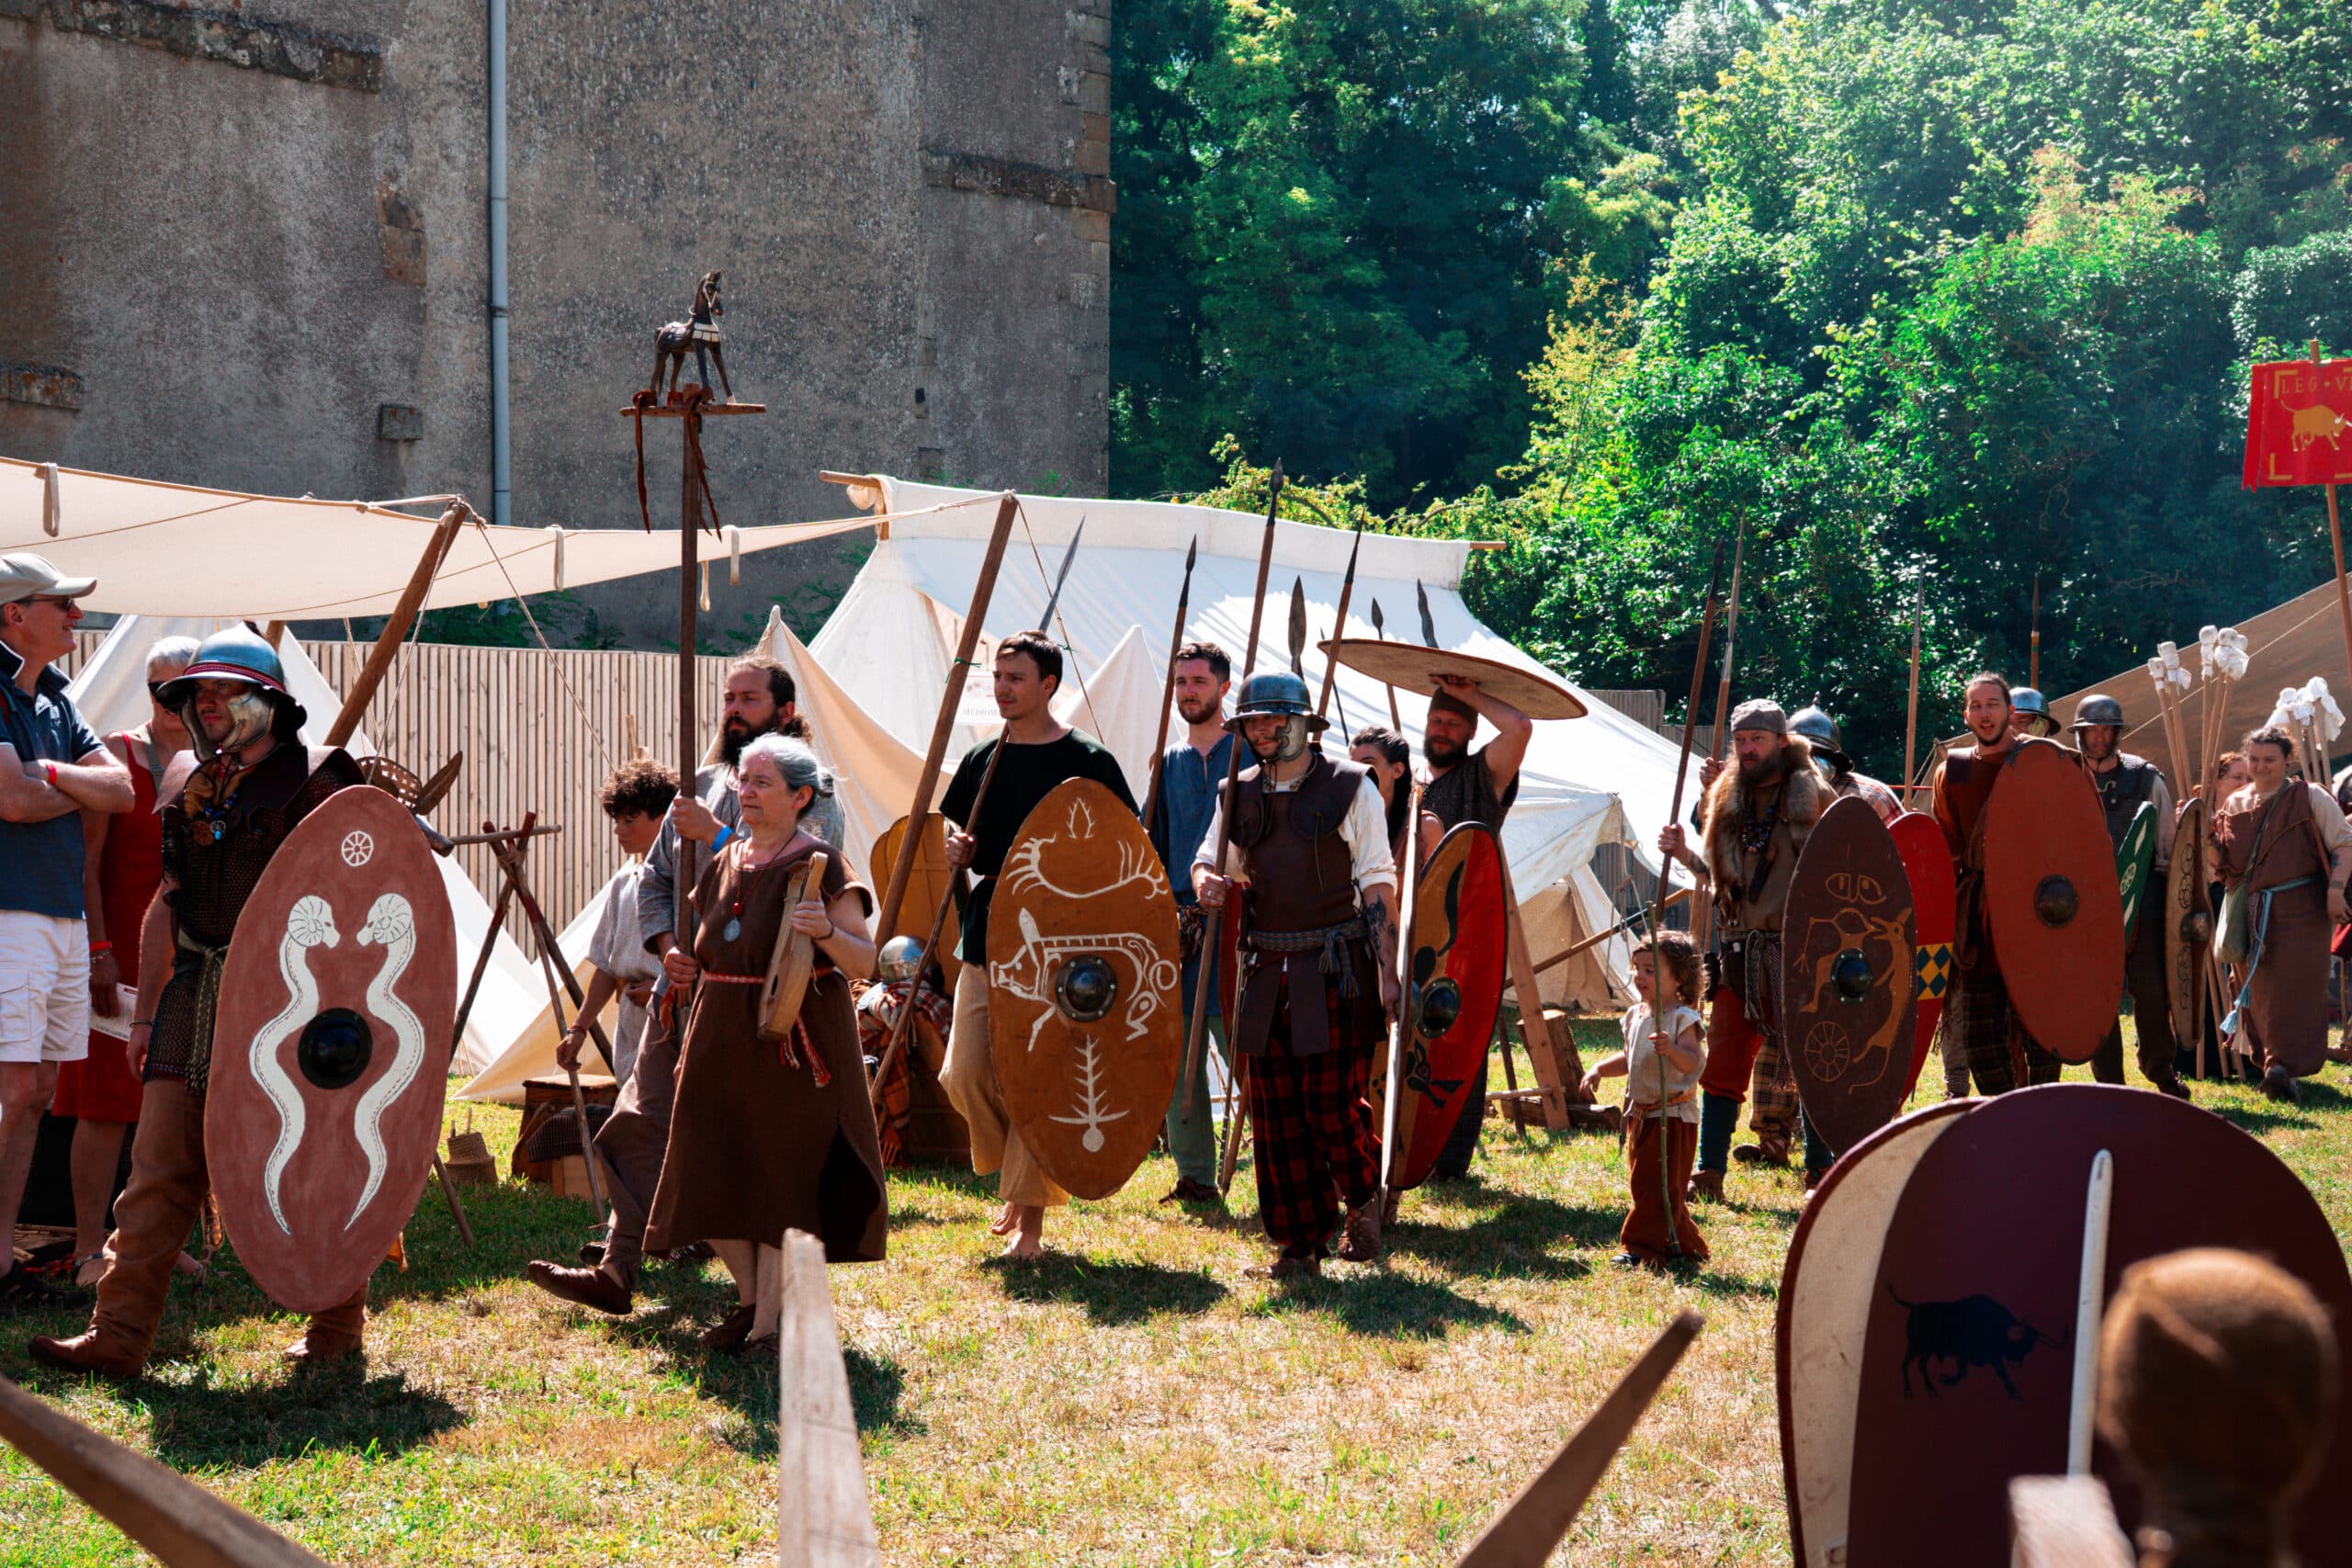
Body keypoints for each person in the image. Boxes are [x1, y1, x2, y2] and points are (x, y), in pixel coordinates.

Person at [33, 627, 368, 1375]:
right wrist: (147, 1014)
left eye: (222, 691)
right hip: (193, 994)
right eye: (196, 694)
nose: (205, 705)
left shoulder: (321, 779)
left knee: (307, 1161)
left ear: (269, 702)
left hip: (293, 1001)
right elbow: (168, 901)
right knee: (155, 1170)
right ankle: (117, 1336)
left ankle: (336, 1326)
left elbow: (364, 896)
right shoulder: (188, 780)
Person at [529, 655, 820, 1316]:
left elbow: (797, 873)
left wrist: (715, 836)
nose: (733, 709)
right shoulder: (703, 782)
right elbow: (656, 883)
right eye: (728, 697)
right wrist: (667, 952)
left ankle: (758, 1300)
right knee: (634, 1121)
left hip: (753, 998)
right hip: (683, 991)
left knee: (730, 1142)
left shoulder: (804, 782)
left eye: (749, 698)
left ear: (782, 709)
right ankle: (617, 1267)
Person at [641, 736, 886, 1354]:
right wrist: (680, 964)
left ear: (800, 796)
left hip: (793, 1040)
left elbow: (866, 958)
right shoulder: (725, 859)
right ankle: (753, 1301)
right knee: (703, 1167)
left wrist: (826, 928)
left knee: (779, 1178)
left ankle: (772, 1327)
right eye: (743, 782)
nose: (745, 793)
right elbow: (709, 944)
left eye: (761, 783)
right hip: (719, 1031)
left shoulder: (822, 864)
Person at [1194, 672, 1399, 1279]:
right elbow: (1215, 855)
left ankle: (1362, 1195)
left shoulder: (1349, 788)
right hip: (1264, 967)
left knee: (1330, 1105)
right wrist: (1206, 876)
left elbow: (1378, 882)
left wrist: (1388, 971)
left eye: (1272, 720)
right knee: (1277, 1113)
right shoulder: (1237, 793)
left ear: (1304, 723)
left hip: (1335, 965)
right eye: (1252, 721)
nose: (1261, 731)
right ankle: (1299, 1244)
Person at [939, 631, 1136, 1259]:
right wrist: (958, 854)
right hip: (990, 929)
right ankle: (1017, 1175)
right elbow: (962, 840)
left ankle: (1029, 1222)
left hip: (1062, 940)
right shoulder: (980, 759)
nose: (1002, 687)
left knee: (1039, 1073)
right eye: (997, 677)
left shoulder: (1090, 760)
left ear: (1048, 685)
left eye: (1015, 677)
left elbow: (1125, 846)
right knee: (964, 1071)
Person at [0, 555, 133, 1313]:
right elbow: (9, 804)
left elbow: (117, 791)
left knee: (37, 1090)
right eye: (63, 606)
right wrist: (61, 783)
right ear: (16, 613)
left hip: (58, 919)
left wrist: (45, 774)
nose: (77, 618)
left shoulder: (53, 695)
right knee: (15, 1089)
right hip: (9, 914)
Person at [57, 635, 198, 1289]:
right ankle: (90, 1247)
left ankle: (156, 1241)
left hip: (188, 966)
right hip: (119, 960)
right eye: (164, 691)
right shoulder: (116, 759)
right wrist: (99, 950)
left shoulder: (211, 763)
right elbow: (85, 862)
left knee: (170, 1113)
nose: (176, 704)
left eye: (188, 689)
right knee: (105, 1106)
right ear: (150, 692)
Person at [1657, 700, 1827, 1201]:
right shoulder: (1727, 799)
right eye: (1740, 740)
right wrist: (1683, 851)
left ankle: (1820, 1169)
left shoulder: (1810, 794)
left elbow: (1835, 869)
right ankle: (1709, 1171)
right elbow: (1718, 878)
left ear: (1781, 742)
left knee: (1813, 1062)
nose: (1747, 749)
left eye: (1757, 739)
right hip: (1739, 953)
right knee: (1725, 1062)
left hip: (1799, 951)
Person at [1421, 673, 1532, 1180]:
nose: (1442, 729)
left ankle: (1449, 1161)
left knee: (1459, 1039)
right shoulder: (1413, 782)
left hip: (1467, 932)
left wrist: (1469, 695)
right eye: (1437, 720)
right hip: (1415, 930)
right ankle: (1410, 1143)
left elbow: (1519, 726)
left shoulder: (1481, 777)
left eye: (1453, 723)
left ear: (1468, 732)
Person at [2211, 726, 2352, 1102]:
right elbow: (2223, 868)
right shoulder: (2235, 803)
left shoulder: (2309, 798)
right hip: (2250, 912)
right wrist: (2201, 836)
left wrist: (2335, 891)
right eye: (2254, 759)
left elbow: (2344, 844)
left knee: (2293, 991)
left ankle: (2281, 1067)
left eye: (2269, 760)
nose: (2260, 767)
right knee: (2256, 992)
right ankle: (2271, 1064)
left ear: (2287, 760)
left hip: (2302, 911)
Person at [1932, 673, 2057, 1097]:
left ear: (2011, 712)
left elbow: (2078, 837)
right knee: (1980, 1038)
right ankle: (2005, 1114)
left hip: (2038, 911)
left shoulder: (2046, 761)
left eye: (1993, 704)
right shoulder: (1955, 769)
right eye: (1976, 706)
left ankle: (2041, 1110)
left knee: (2041, 1030)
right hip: (1981, 918)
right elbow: (1947, 841)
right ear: (1966, 715)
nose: (1985, 714)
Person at [1148, 639, 1234, 1208]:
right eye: (1181, 683)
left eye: (1199, 682)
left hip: (1240, 921)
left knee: (1245, 1047)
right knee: (1179, 1055)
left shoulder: (1250, 757)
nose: (1188, 692)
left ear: (1224, 687)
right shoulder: (1168, 763)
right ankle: (1196, 1174)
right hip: (1180, 924)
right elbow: (1150, 849)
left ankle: (1283, 1159)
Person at [2070, 694, 2189, 1100]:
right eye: (2092, 730)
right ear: (2080, 734)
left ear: (2118, 733)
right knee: (2099, 997)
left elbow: (2168, 849)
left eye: (2107, 729)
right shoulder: (2064, 776)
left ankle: (2160, 1068)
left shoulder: (2145, 777)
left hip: (2145, 902)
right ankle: (2110, 1087)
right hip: (2086, 905)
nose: (2099, 738)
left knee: (2153, 993)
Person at [1580, 930, 1707, 1268]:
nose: (1640, 976)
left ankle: (1641, 1250)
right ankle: (1685, 1245)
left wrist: (1674, 1049)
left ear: (1679, 977)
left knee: (1656, 1186)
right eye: (1637, 967)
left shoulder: (1682, 1018)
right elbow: (1630, 1057)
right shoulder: (1636, 1015)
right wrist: (1598, 1069)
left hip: (1673, 1117)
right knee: (1655, 1185)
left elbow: (1693, 1062)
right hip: (1643, 1116)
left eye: (1651, 970)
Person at [561, 759, 679, 1090]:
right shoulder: (623, 882)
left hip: (673, 1021)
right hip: (631, 1021)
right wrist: (578, 1029)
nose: (618, 830)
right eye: (617, 820)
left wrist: (662, 992)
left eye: (630, 820)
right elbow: (606, 967)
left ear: (664, 818)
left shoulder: (685, 882)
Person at [1348, 727, 1441, 873]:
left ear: (1397, 770)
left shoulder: (1424, 826)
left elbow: (1437, 892)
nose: (1359, 772)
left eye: (1368, 764)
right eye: (1353, 766)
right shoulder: (1344, 821)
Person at [1788, 705, 1901, 821]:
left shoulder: (1874, 797)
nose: (1807, 761)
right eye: (1799, 752)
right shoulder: (1775, 792)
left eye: (1816, 751)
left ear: (1832, 757)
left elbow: (1905, 837)